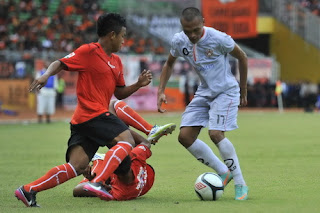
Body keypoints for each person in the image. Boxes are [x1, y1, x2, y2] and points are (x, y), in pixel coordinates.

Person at [15, 13, 156, 207]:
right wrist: (45, 75)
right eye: (123, 36)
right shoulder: (89, 51)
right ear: (112, 35)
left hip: (84, 121)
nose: (125, 40)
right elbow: (60, 62)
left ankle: (28, 190)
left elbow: (120, 93)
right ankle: (97, 182)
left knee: (77, 166)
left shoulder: (116, 61)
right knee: (128, 141)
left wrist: (138, 84)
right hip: (93, 114)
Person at [157, 7, 249, 200]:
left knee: (215, 133)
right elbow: (169, 63)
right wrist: (161, 91)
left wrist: (243, 89)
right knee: (185, 137)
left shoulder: (219, 38)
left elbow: (242, 56)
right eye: (187, 30)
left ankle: (241, 183)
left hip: (226, 91)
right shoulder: (179, 40)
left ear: (203, 22)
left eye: (196, 30)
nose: (192, 35)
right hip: (204, 92)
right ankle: (224, 172)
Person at [73, 100, 176, 200]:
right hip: (147, 179)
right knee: (111, 107)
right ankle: (150, 129)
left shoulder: (119, 192)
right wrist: (120, 131)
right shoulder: (135, 160)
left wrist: (92, 180)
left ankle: (100, 163)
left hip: (118, 175)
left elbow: (77, 191)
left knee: (110, 107)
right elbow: (146, 143)